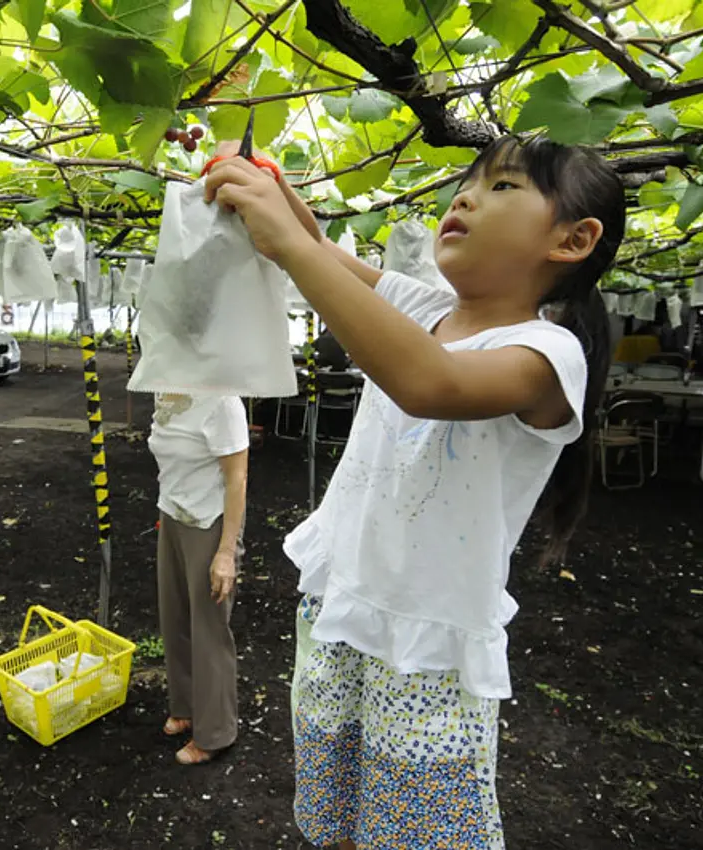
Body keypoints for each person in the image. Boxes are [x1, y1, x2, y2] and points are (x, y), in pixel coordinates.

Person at [204, 133, 622, 848]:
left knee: (416, 828)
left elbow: (431, 383)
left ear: (574, 239)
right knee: (336, 802)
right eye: (468, 183)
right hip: (344, 601)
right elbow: (318, 250)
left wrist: (294, 245)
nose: (464, 197)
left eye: (503, 187)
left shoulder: (548, 355)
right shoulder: (421, 307)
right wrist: (268, 186)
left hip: (426, 642)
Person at [148, 391, 248, 766]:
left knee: (208, 628)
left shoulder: (222, 401)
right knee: (175, 619)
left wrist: (226, 552)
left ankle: (216, 731)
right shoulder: (163, 390)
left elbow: (238, 477)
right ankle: (186, 706)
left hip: (210, 523)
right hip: (173, 515)